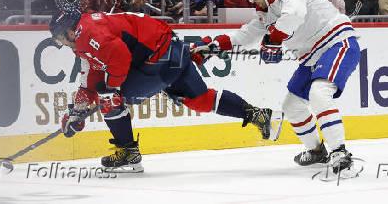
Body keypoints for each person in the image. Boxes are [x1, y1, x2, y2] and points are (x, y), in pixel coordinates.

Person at [49, 9, 283, 172]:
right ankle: (258, 115)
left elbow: (118, 57)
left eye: (60, 38)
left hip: (158, 58)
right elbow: (91, 78)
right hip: (170, 49)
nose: (62, 44)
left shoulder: (86, 35)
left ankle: (128, 151)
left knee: (111, 97)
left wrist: (112, 89)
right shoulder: (88, 28)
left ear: (68, 32)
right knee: (200, 99)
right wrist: (77, 112)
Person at [191, 0, 361, 177]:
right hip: (311, 56)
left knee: (319, 93)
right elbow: (244, 35)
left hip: (336, 42)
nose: (252, 0)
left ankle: (340, 153)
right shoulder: (268, 13)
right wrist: (213, 46)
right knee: (292, 106)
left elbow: (294, 16)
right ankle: (317, 150)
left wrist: (273, 39)